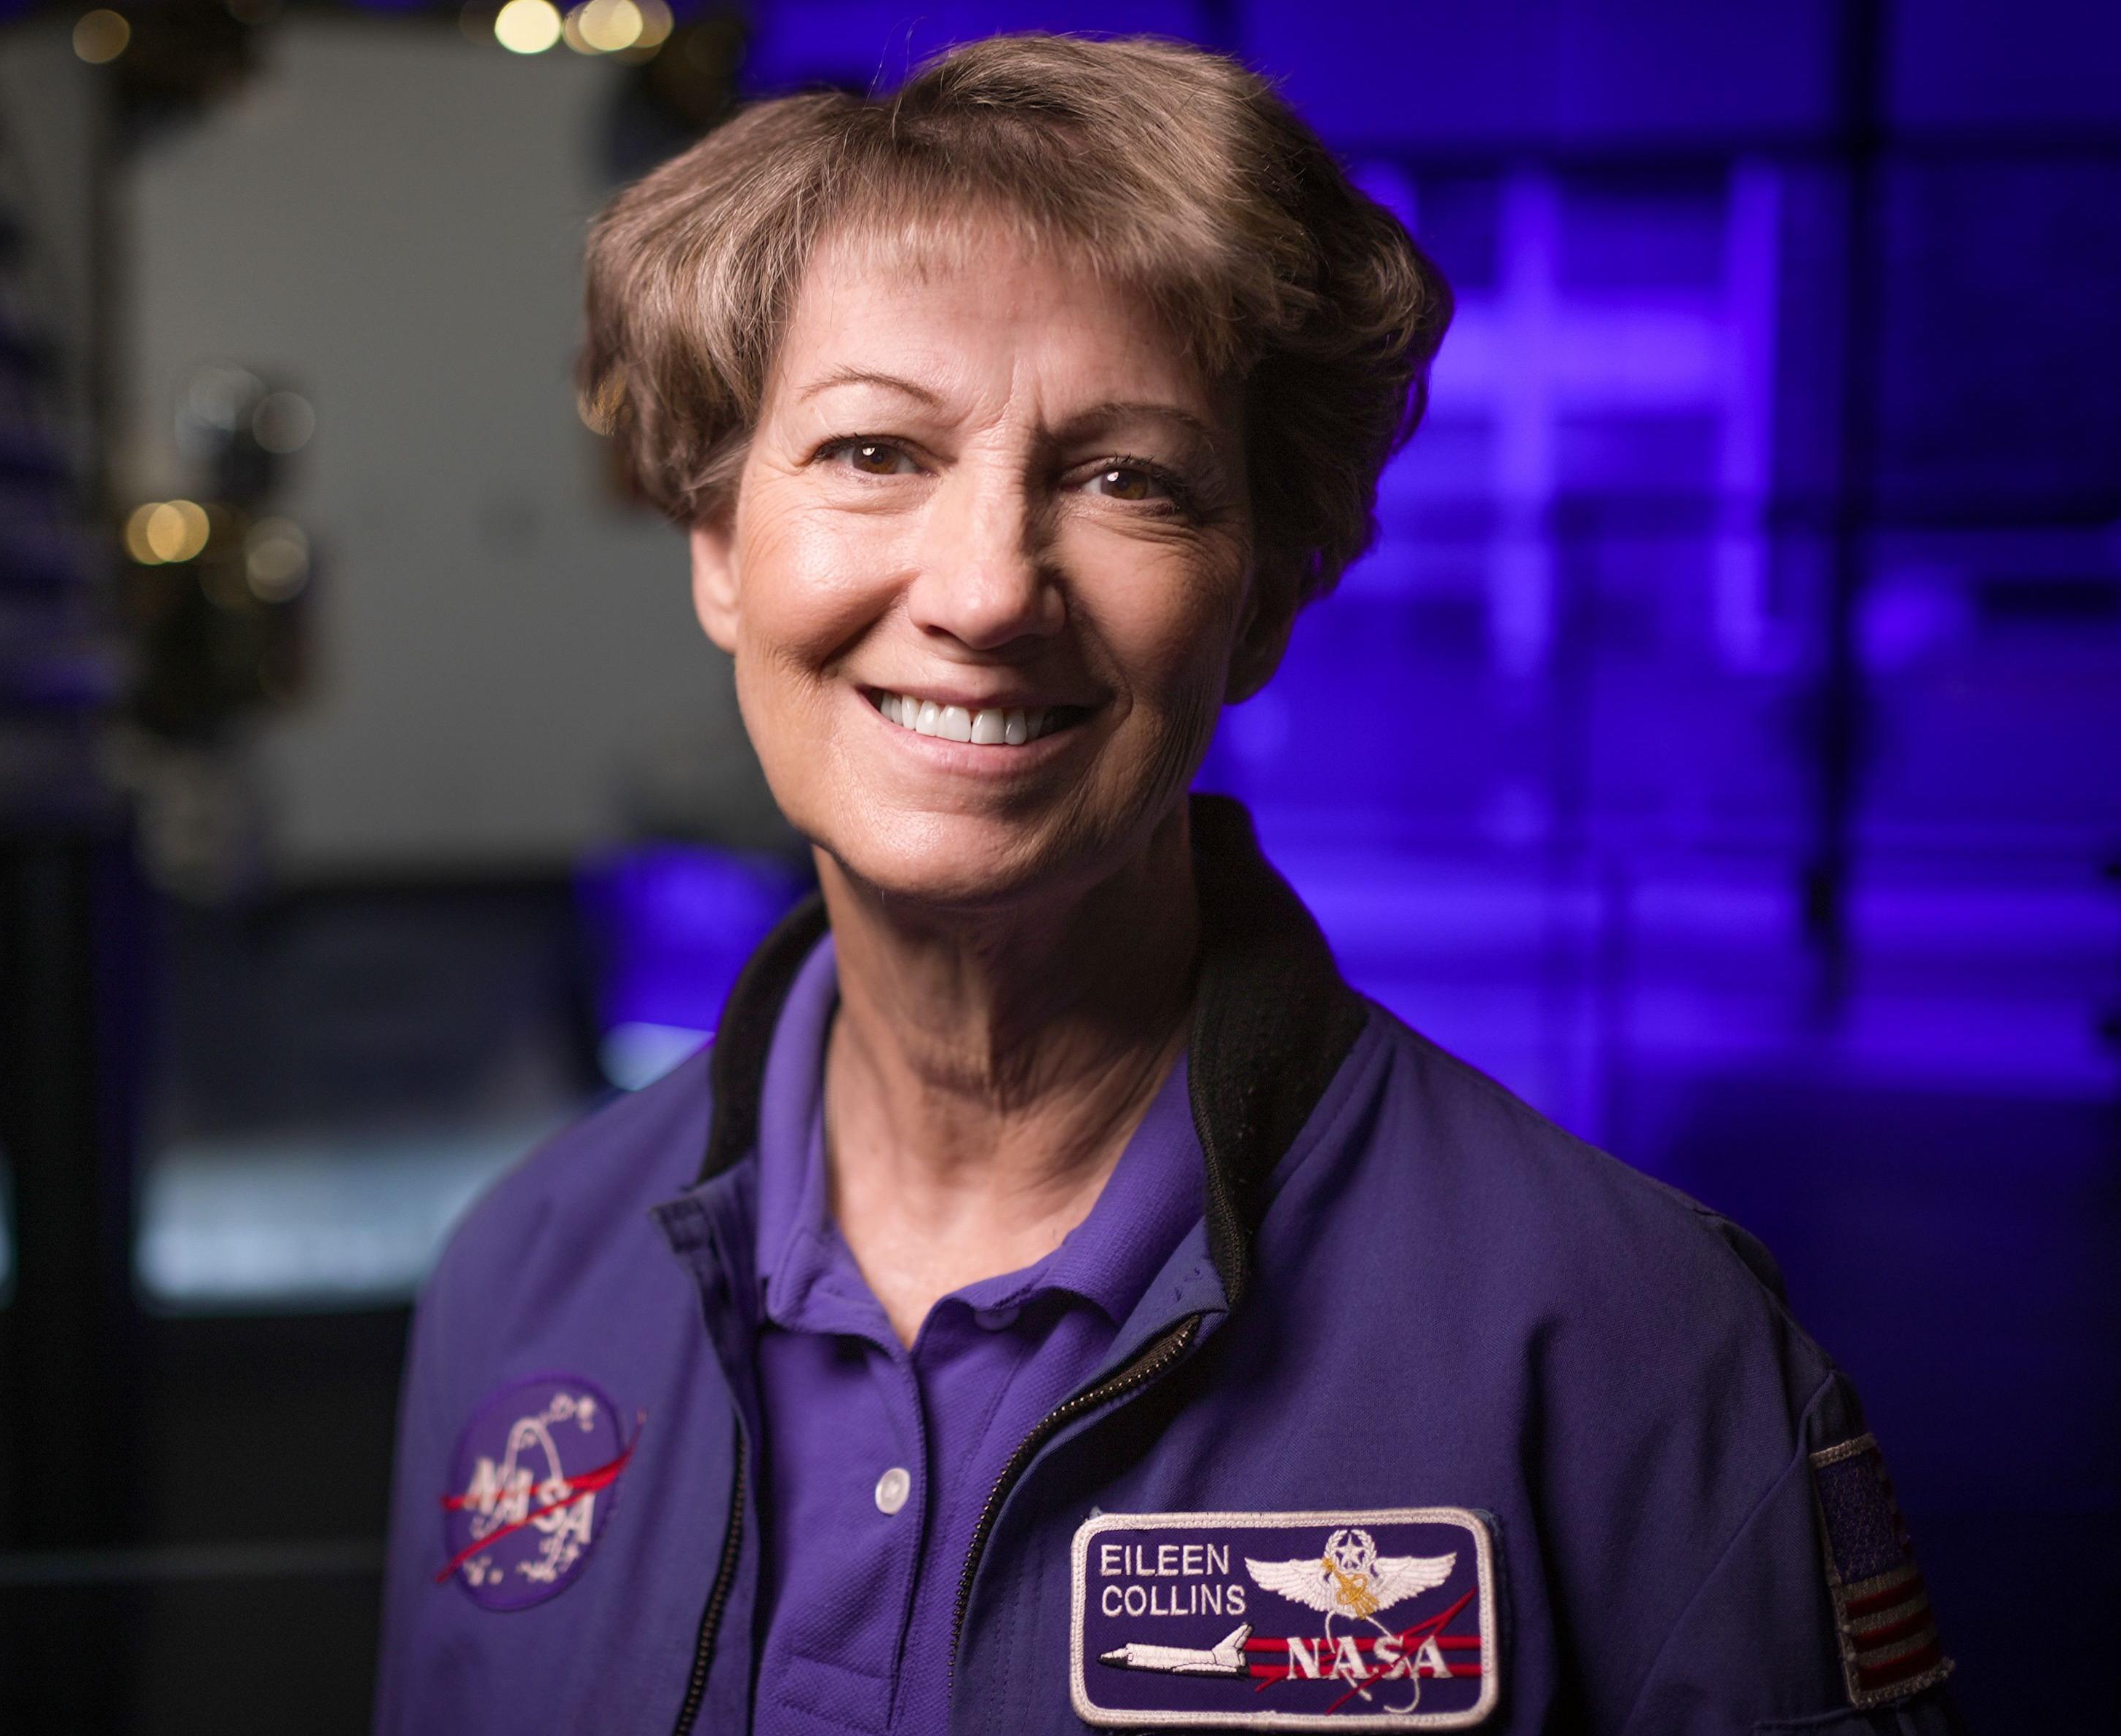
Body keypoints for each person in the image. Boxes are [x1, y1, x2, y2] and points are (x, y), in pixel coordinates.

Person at [373, 33, 1962, 1736]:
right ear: (714, 546)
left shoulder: (1631, 1348)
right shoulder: (522, 1278)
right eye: (870, 452)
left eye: (1124, 476)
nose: (984, 590)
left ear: (1262, 602)